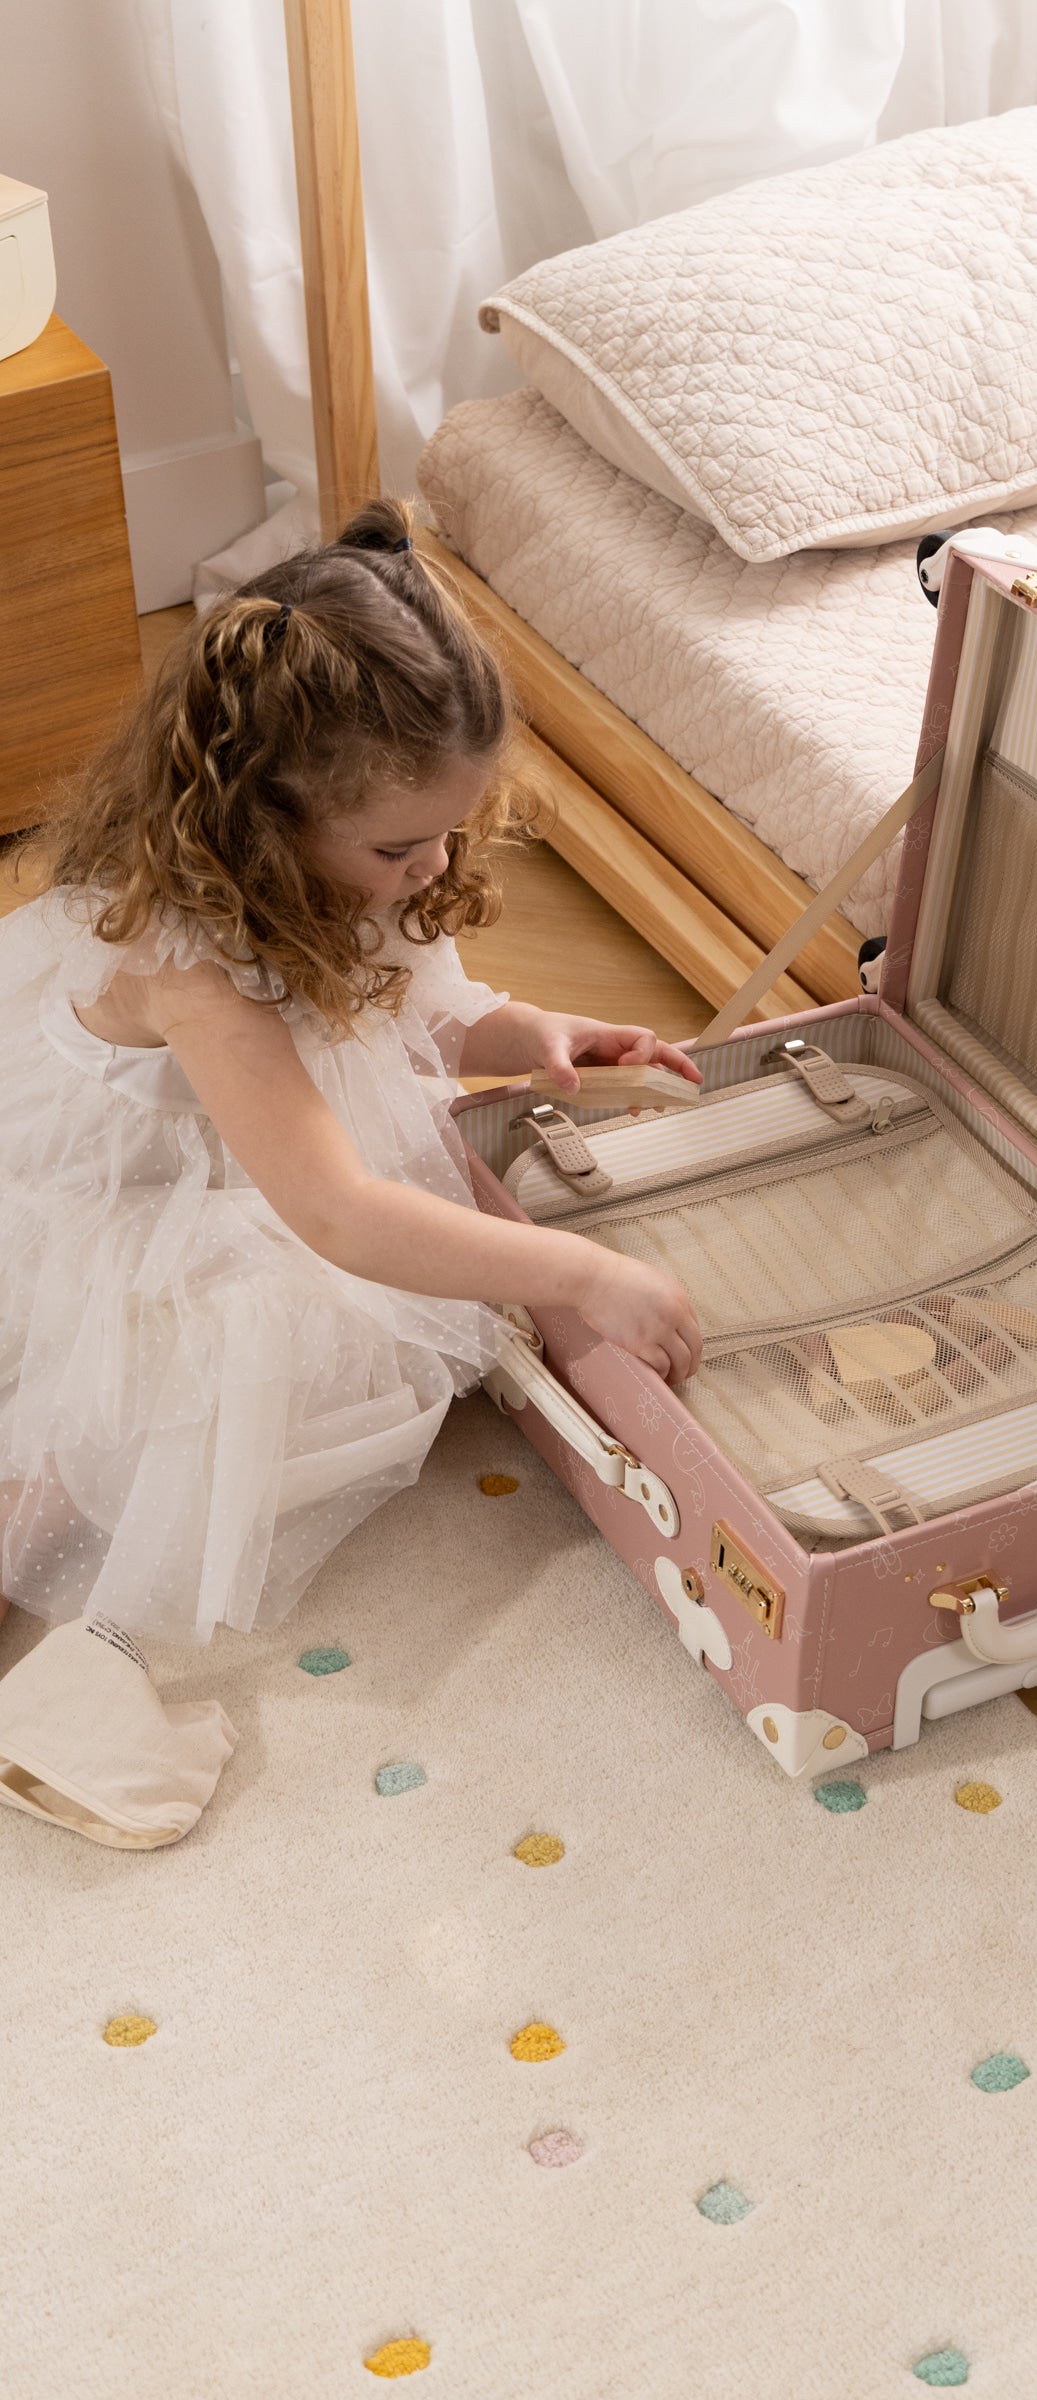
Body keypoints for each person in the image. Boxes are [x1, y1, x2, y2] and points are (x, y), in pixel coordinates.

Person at [0, 498, 701, 1845]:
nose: (431, 867)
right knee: (186, 1365)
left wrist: (520, 1030)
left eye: (452, 831)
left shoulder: (345, 869)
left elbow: (406, 1000)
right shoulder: (188, 964)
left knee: (290, 1333)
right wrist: (581, 1272)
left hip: (224, 1153)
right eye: (399, 849)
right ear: (264, 813)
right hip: (92, 1201)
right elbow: (335, 1213)